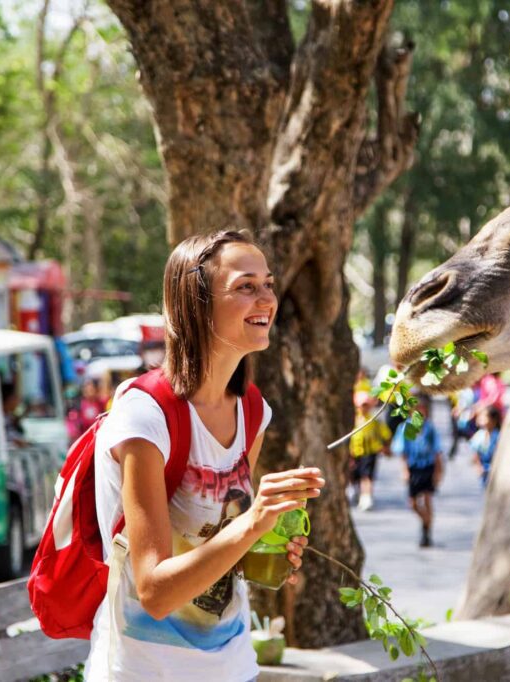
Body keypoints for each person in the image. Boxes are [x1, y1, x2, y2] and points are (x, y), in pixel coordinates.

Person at [84, 230, 325, 682]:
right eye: (245, 287)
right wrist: (253, 523)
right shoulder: (146, 416)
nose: (267, 299)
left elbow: (217, 541)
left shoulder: (253, 410)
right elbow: (154, 591)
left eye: (268, 284)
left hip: (233, 666)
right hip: (145, 671)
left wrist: (268, 544)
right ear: (197, 303)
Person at [391, 395, 443, 548]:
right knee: (413, 503)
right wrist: (405, 470)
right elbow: (402, 452)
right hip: (414, 468)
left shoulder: (430, 428)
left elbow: (437, 452)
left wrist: (438, 472)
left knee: (427, 498)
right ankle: (425, 520)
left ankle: (427, 531)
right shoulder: (405, 428)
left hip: (427, 466)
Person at [348, 391, 391, 511]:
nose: (364, 408)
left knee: (367, 476)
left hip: (370, 452)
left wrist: (386, 448)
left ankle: (366, 497)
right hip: (355, 452)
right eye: (362, 405)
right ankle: (355, 492)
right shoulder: (353, 419)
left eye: (366, 405)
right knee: (353, 475)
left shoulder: (374, 420)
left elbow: (386, 434)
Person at [469, 405, 501, 488]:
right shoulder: (479, 435)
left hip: (496, 470)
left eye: (484, 416)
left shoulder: (498, 436)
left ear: (494, 420)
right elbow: (475, 453)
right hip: (484, 471)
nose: (481, 418)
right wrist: (479, 467)